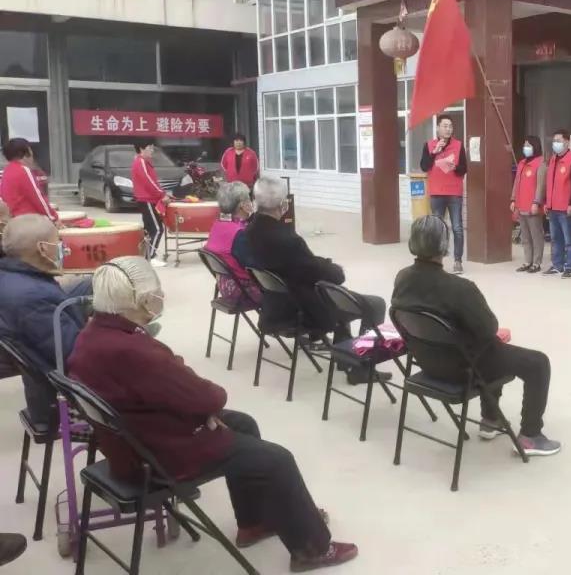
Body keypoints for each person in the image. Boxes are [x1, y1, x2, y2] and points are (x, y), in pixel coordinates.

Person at [66, 257, 357, 571]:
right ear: (143, 299)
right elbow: (206, 395)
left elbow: (171, 386)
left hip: (132, 443)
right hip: (157, 453)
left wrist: (201, 408)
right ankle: (313, 549)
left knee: (243, 423)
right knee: (277, 459)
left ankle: (253, 522)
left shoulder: (93, 334)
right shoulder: (131, 350)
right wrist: (203, 410)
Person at [392, 215, 561, 456]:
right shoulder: (460, 289)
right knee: (537, 362)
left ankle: (491, 419)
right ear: (444, 245)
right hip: (463, 368)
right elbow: (488, 328)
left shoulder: (402, 278)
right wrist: (492, 334)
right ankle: (530, 436)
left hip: (427, 363)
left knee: (491, 347)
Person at [0, 215, 92, 426]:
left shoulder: (11, 273)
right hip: (53, 364)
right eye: (57, 241)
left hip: (36, 319)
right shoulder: (33, 298)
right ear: (42, 248)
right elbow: (73, 355)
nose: (62, 247)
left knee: (92, 283)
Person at [245, 177, 348, 344]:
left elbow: (303, 265)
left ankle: (325, 342)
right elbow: (312, 270)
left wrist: (324, 264)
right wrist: (335, 269)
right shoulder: (287, 239)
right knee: (369, 304)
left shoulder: (250, 231)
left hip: (272, 305)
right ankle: (353, 354)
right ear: (282, 204)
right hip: (298, 308)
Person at [420, 115, 467, 274]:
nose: (448, 129)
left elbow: (464, 169)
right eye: (445, 126)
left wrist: (455, 167)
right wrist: (434, 153)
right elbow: (424, 166)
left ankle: (458, 261)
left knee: (457, 227)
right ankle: (436, 260)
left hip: (454, 193)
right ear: (438, 128)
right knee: (438, 229)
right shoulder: (429, 145)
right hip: (437, 192)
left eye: (450, 126)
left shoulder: (458, 145)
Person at [204, 181, 261, 308]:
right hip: (241, 290)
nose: (251, 202)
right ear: (242, 205)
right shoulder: (238, 234)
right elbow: (255, 266)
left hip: (224, 284)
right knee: (287, 289)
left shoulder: (218, 225)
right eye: (249, 199)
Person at [544, 130, 571, 278]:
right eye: (554, 141)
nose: (556, 144)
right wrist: (547, 203)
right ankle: (557, 265)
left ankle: (570, 267)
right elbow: (549, 184)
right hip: (552, 207)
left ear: (567, 142)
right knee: (555, 239)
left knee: (569, 240)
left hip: (566, 208)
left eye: (559, 141)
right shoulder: (553, 160)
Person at [131, 140, 170, 269]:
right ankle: (151, 257)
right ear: (142, 149)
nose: (152, 150)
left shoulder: (145, 162)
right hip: (146, 199)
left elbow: (154, 181)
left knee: (149, 230)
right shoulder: (141, 162)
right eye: (150, 148)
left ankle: (146, 255)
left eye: (153, 148)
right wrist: (162, 195)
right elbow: (148, 181)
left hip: (148, 199)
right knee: (157, 229)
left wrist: (162, 193)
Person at [510, 135, 546, 273]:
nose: (525, 148)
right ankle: (527, 261)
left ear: (535, 147)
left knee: (536, 236)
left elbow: (541, 186)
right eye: (525, 145)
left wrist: (536, 202)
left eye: (528, 145)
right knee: (525, 236)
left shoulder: (540, 163)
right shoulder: (522, 163)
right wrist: (513, 199)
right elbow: (516, 183)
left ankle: (536, 263)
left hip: (532, 206)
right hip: (521, 204)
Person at [0, 138, 58, 224]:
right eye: (31, 153)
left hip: (13, 220)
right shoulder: (23, 170)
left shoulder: (7, 171)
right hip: (27, 220)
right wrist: (54, 218)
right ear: (25, 154)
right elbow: (38, 198)